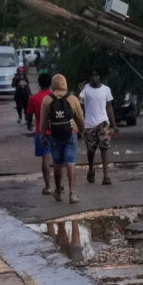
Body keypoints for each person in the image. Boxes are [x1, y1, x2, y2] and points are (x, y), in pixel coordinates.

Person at [41, 71, 85, 205]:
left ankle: (59, 192)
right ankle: (72, 193)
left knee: (58, 164)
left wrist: (43, 135)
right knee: (71, 162)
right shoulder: (72, 99)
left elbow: (43, 121)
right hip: (70, 133)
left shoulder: (47, 100)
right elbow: (80, 118)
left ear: (53, 84)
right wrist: (81, 131)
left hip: (55, 135)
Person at [79, 72, 115, 186]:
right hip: (89, 125)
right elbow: (79, 103)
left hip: (103, 123)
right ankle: (91, 169)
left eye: (96, 75)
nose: (94, 77)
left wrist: (114, 124)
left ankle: (106, 176)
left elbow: (109, 107)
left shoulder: (106, 90)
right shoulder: (85, 89)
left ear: (100, 77)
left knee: (104, 148)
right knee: (91, 150)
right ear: (89, 77)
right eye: (92, 75)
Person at [28, 70, 55, 195]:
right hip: (56, 130)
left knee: (45, 158)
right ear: (50, 83)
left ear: (39, 83)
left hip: (41, 131)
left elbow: (29, 115)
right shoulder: (55, 97)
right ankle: (60, 185)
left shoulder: (34, 98)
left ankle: (48, 186)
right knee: (58, 158)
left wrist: (29, 125)